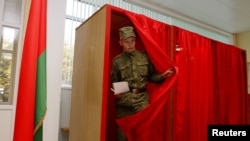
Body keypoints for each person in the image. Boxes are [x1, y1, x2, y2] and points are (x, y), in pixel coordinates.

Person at [110, 26, 174, 141]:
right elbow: (115, 81)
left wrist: (162, 76)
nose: (130, 44)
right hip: (124, 103)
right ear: (121, 42)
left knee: (145, 134)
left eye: (132, 41)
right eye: (126, 42)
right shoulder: (117, 62)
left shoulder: (144, 57)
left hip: (142, 101)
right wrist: (116, 92)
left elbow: (151, 77)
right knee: (122, 136)